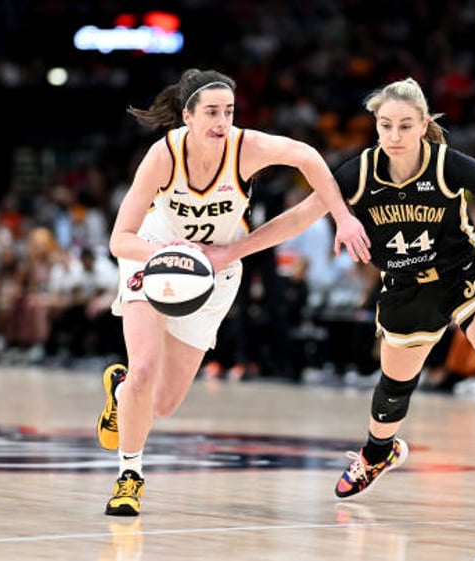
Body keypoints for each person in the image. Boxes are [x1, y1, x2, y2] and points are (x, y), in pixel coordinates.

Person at [205, 77, 475, 523]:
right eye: (386, 125)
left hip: (464, 276)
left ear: (423, 126)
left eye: (405, 126)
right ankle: (378, 451)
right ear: (375, 126)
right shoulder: (359, 173)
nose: (394, 136)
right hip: (405, 285)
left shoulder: (448, 165)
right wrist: (229, 252)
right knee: (393, 392)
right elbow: (296, 219)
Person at [95, 68, 370, 516]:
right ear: (187, 116)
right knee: (145, 369)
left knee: (162, 403)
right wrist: (165, 250)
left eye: (229, 112)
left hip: (216, 271)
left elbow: (308, 157)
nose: (222, 122)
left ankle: (120, 388)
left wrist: (341, 215)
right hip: (155, 257)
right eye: (211, 112)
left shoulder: (248, 148)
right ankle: (130, 476)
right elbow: (119, 239)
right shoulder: (163, 155)